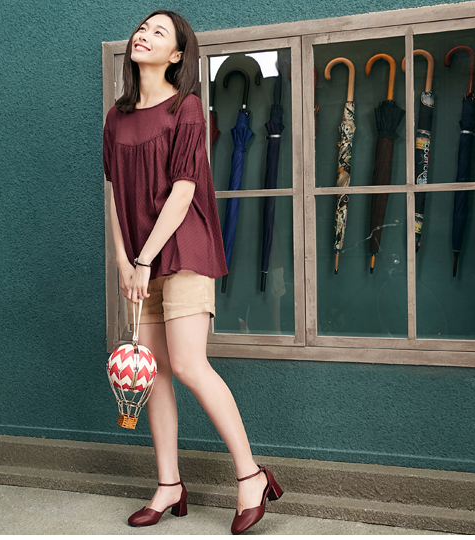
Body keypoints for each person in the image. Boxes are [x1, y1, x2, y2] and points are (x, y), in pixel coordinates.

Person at [102, 10, 283, 535]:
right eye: (142, 28)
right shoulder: (116, 117)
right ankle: (168, 485)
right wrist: (124, 261)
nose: (144, 35)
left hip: (183, 249)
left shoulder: (186, 108)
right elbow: (114, 193)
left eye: (159, 32)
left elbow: (183, 192)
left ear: (177, 55)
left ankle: (251, 476)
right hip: (139, 260)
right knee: (153, 371)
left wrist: (143, 259)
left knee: (187, 364)